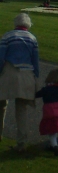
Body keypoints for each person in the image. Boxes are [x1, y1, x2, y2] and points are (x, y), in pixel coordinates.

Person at [0, 13, 39, 152]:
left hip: (9, 72)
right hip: (27, 74)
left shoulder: (7, 36)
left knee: (2, 104)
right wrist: (36, 77)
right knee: (21, 109)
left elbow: (1, 57)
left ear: (16, 23)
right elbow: (35, 61)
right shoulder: (32, 38)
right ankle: (21, 142)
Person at [35, 68, 58, 156]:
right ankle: (53, 144)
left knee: (51, 131)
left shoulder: (46, 89)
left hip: (48, 111)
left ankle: (54, 146)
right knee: (54, 129)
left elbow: (37, 94)